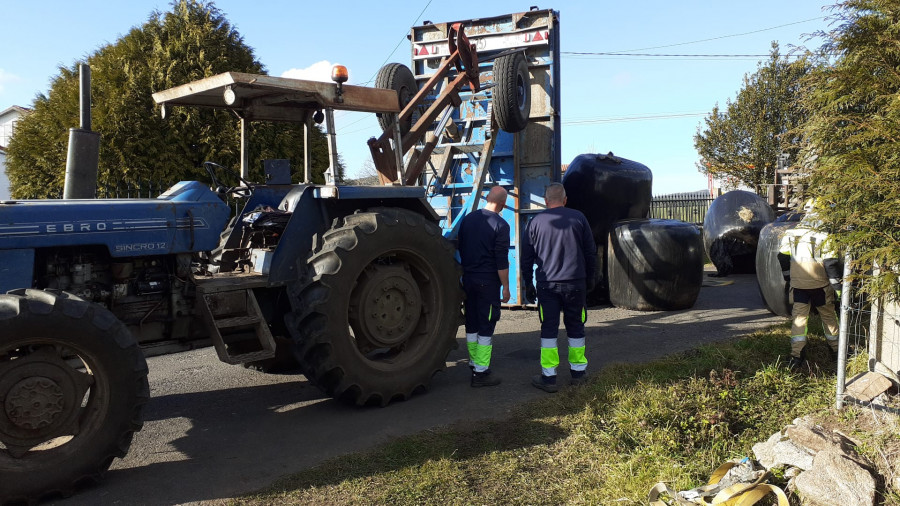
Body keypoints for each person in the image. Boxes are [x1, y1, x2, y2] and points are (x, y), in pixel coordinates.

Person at [521, 183, 597, 392]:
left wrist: (528, 283)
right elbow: (590, 252)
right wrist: (591, 278)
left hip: (547, 285)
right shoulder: (579, 218)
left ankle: (549, 378)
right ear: (565, 199)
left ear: (546, 201)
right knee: (576, 327)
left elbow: (526, 258)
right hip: (575, 283)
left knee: (549, 329)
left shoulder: (535, 222)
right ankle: (579, 374)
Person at [777, 201, 842, 370]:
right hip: (821, 286)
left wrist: (789, 278)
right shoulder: (825, 235)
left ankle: (796, 356)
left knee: (799, 320)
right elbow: (830, 264)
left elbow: (782, 257)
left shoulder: (790, 234)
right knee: (829, 318)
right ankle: (837, 353)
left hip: (798, 286)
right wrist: (838, 290)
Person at [458, 186, 511, 387]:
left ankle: (474, 363)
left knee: (471, 322)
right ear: (503, 204)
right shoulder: (501, 225)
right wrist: (505, 286)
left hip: (468, 279)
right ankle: (481, 373)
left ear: (487, 198)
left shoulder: (468, 219)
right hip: (487, 282)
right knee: (487, 324)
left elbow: (461, 247)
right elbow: (501, 261)